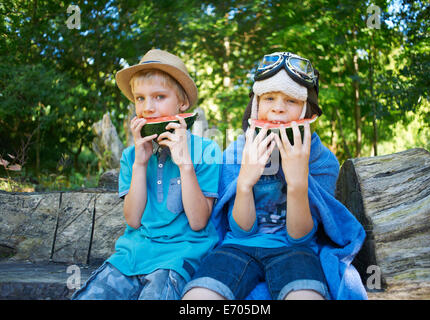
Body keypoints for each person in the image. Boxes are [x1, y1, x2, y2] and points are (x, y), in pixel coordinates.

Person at [182, 52, 367, 300]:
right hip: (237, 246)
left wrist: (298, 184)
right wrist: (245, 182)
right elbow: (241, 232)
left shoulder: (322, 161)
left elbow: (299, 237)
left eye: (291, 100)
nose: (278, 108)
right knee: (197, 300)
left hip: (295, 250)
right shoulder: (235, 153)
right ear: (255, 105)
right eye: (269, 98)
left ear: (306, 109)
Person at [72, 49, 221, 300]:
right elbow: (132, 220)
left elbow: (198, 222)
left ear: (182, 103)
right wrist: (140, 164)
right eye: (140, 99)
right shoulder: (131, 156)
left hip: (179, 257)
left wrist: (185, 163)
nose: (148, 108)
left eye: (159, 97)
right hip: (130, 256)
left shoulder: (207, 151)